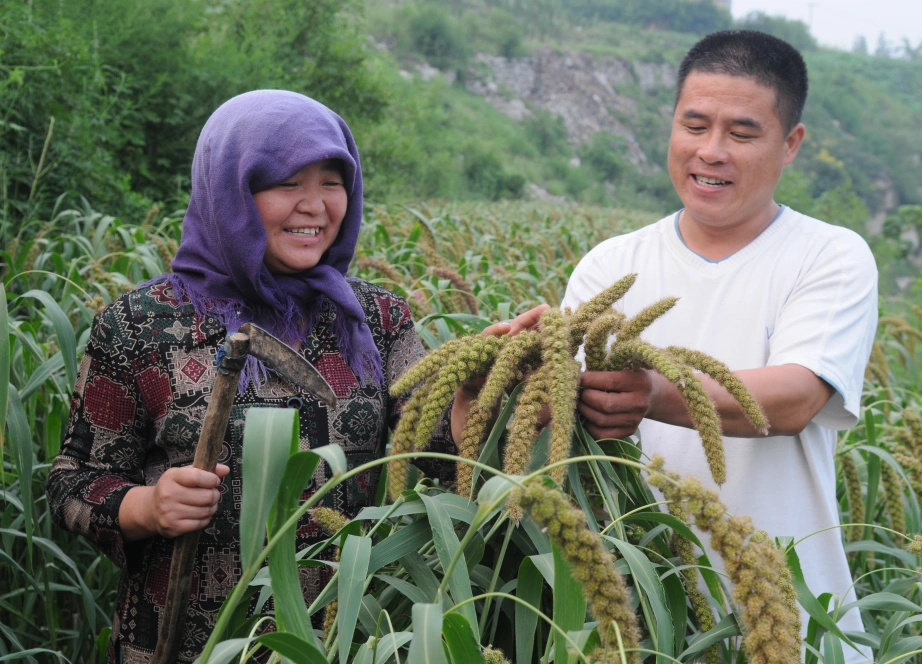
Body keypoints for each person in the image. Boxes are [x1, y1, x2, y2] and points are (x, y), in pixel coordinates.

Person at [46, 90, 544, 662]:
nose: (315, 206)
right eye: (287, 183)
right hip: (181, 644)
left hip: (342, 638)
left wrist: (471, 396)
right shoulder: (141, 325)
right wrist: (147, 507)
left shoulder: (376, 321)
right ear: (229, 190)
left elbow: (433, 458)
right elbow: (71, 485)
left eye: (332, 182)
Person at [561, 31, 878, 659]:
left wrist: (651, 390)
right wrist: (497, 377)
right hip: (643, 617)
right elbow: (561, 417)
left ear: (790, 144)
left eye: (741, 132)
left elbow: (795, 398)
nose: (711, 152)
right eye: (695, 124)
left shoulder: (829, 255)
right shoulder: (612, 266)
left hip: (792, 625)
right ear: (671, 125)